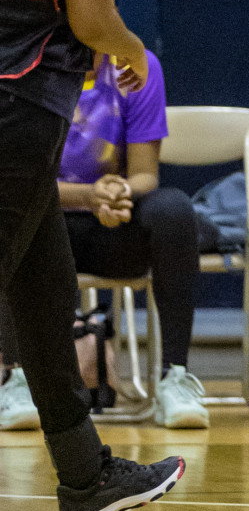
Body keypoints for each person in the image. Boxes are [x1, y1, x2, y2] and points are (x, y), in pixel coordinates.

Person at [0, 0, 183, 511]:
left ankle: (84, 477)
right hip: (21, 109)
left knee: (44, 292)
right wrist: (130, 48)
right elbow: (88, 15)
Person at [0, 48, 208, 428]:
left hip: (110, 228)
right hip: (42, 226)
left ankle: (173, 376)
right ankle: (13, 378)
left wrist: (117, 192)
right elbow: (13, 178)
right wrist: (88, 196)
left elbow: (146, 173)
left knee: (174, 209)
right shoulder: (22, 64)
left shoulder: (135, 64)